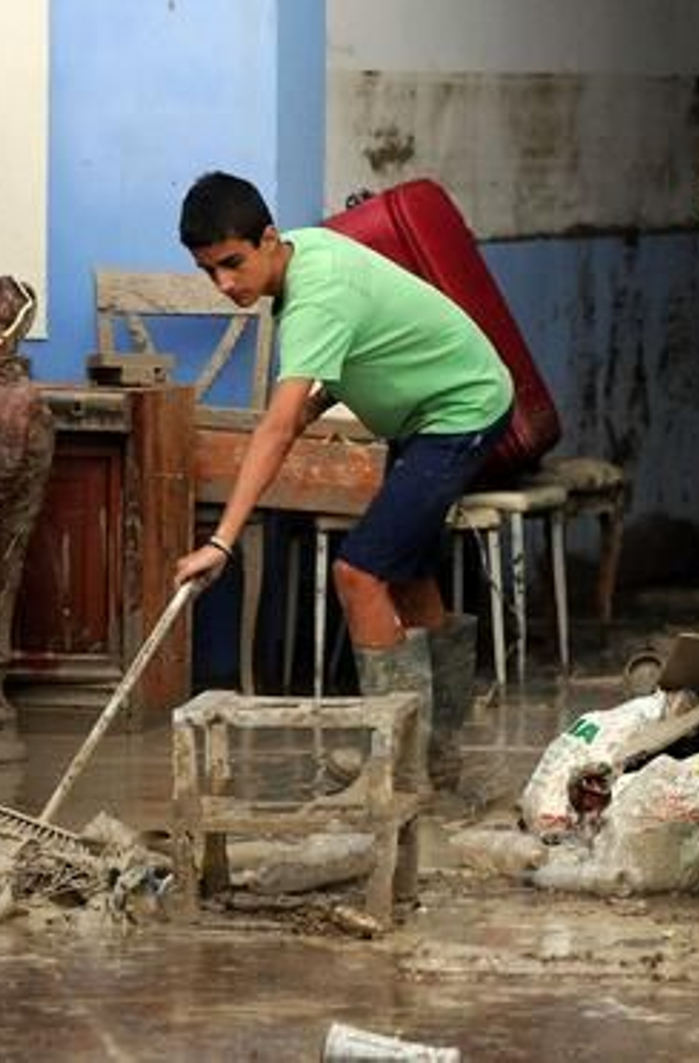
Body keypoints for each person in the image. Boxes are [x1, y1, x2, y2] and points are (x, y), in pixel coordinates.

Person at [171, 172, 512, 790]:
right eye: (208, 272)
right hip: (428, 408)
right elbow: (337, 371)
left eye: (231, 264)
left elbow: (274, 428)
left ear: (269, 239)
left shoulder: (316, 296)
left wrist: (222, 539)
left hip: (463, 410)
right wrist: (308, 404)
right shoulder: (303, 253)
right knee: (408, 575)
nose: (223, 285)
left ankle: (398, 771)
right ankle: (435, 756)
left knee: (358, 574)